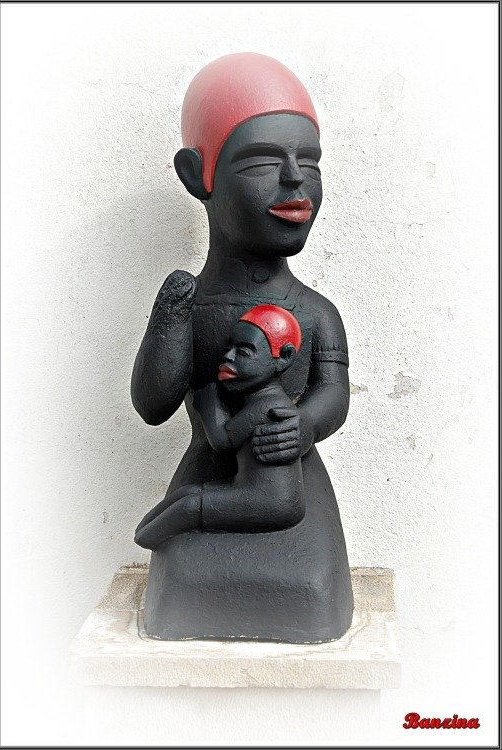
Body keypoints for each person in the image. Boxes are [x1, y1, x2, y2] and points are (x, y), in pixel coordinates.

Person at [131, 53, 353, 642]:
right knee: (186, 579)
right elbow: (153, 404)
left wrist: (304, 425)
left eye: (310, 161)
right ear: (196, 175)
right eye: (261, 161)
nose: (295, 179)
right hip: (211, 468)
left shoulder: (317, 314)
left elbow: (332, 394)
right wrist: (172, 316)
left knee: (309, 585)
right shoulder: (192, 304)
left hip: (289, 485)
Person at [135, 305, 305, 549]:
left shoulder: (268, 407)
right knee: (188, 493)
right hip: (257, 493)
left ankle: (145, 539)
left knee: (190, 505)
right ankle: (142, 532)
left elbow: (222, 440)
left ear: (283, 358)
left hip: (272, 503)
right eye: (229, 348)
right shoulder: (259, 401)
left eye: (243, 352)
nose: (229, 357)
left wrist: (210, 404)